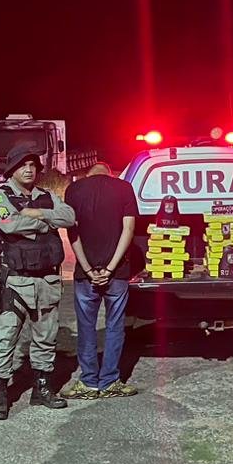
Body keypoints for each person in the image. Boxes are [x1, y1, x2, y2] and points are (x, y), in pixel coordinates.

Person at [0, 146, 76, 418]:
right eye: (22, 165)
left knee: (46, 337)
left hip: (47, 279)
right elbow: (9, 224)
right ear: (11, 169)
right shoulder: (0, 196)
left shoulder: (46, 196)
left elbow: (69, 217)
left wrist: (37, 214)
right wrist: (47, 222)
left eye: (33, 165)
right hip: (16, 280)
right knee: (6, 337)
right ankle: (0, 393)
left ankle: (42, 389)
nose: (28, 169)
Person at [61, 162, 138, 400]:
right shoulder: (124, 188)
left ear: (88, 174)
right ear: (110, 173)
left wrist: (87, 268)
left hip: (85, 274)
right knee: (115, 325)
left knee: (86, 327)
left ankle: (88, 382)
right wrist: (110, 267)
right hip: (117, 272)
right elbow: (128, 230)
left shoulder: (74, 190)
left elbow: (72, 232)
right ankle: (110, 381)